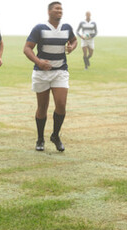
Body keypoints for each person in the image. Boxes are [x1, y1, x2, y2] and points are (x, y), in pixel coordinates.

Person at [23, 1, 77, 152]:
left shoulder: (67, 28)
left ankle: (55, 135)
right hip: (41, 73)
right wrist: (39, 62)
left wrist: (71, 47)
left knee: (61, 104)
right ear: (49, 12)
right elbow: (27, 48)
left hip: (60, 71)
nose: (59, 11)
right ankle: (40, 139)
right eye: (56, 8)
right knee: (42, 107)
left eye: (61, 9)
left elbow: (74, 40)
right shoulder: (39, 28)